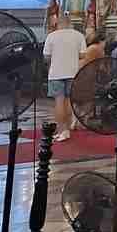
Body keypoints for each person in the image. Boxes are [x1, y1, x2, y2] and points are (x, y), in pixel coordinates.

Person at [43, 13, 85, 142]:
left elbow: (46, 57)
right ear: (70, 23)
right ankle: (66, 131)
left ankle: (62, 130)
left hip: (56, 73)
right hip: (73, 72)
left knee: (59, 102)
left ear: (58, 24)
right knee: (68, 101)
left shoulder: (51, 36)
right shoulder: (79, 36)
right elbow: (83, 55)